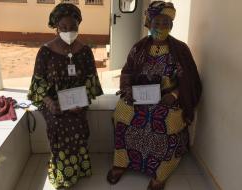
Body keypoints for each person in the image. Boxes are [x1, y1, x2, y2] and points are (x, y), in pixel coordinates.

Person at [107, 1, 202, 190]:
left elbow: (191, 80)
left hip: (168, 98)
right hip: (139, 96)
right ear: (149, 24)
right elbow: (126, 72)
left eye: (165, 23)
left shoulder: (181, 50)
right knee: (123, 113)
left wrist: (175, 95)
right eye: (156, 23)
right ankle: (121, 162)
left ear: (171, 25)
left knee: (168, 120)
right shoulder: (139, 47)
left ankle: (161, 173)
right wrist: (128, 90)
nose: (160, 27)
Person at [27, 3, 103, 189]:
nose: (69, 31)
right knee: (59, 124)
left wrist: (82, 102)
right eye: (64, 27)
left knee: (78, 122)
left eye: (74, 27)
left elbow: (90, 80)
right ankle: (62, 171)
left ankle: (79, 167)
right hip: (51, 100)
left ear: (79, 25)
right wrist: (50, 103)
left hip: (77, 100)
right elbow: (38, 82)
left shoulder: (85, 51)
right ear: (56, 27)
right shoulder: (45, 52)